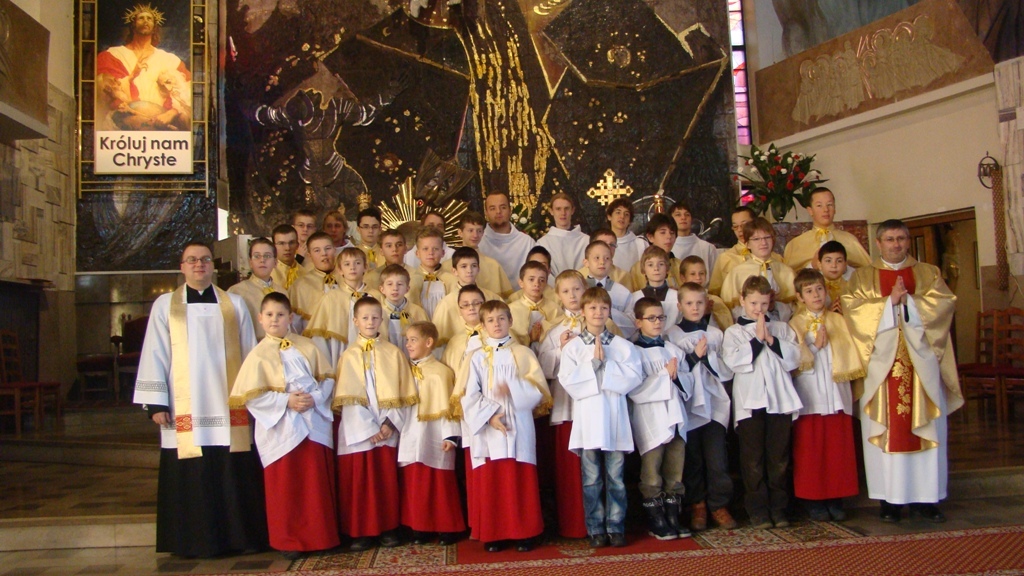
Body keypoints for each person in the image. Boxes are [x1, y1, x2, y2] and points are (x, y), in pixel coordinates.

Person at [134, 242, 268, 557]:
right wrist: (156, 403)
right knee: (192, 472)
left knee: (232, 470)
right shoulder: (165, 305)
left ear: (213, 266)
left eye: (205, 259)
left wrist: (253, 398)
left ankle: (240, 539)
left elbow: (250, 353)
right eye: (192, 260)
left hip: (228, 404)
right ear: (182, 266)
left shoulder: (234, 304)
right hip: (184, 406)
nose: (199, 265)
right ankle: (191, 542)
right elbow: (155, 351)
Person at [841, 219, 962, 524]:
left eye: (901, 239)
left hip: (921, 365)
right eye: (890, 239)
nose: (896, 244)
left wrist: (910, 302)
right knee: (884, 429)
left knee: (927, 428)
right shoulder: (862, 277)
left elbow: (944, 305)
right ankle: (889, 500)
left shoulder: (928, 273)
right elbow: (851, 310)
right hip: (881, 367)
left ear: (908, 241)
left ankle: (926, 499)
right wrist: (888, 303)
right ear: (878, 243)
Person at [229, 293, 339, 557]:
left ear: (290, 318)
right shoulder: (257, 355)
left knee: (313, 484)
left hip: (312, 422)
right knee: (286, 486)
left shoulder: (308, 346)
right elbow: (251, 396)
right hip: (281, 428)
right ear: (260, 318)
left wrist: (314, 398)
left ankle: (319, 537)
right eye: (269, 315)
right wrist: (286, 401)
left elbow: (327, 379)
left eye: (280, 315)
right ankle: (289, 540)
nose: (274, 319)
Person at [456, 300, 551, 552]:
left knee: (519, 479)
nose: (496, 324)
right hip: (489, 427)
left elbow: (538, 391)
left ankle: (524, 532)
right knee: (492, 482)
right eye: (490, 320)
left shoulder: (523, 353)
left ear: (510, 321)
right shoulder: (476, 357)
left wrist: (513, 388)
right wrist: (489, 417)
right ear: (483, 325)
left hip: (518, 423)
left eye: (501, 318)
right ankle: (494, 534)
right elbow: (468, 395)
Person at [559, 288, 643, 548]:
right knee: (591, 479)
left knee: (616, 478)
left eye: (603, 308)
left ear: (609, 311)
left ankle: (616, 526)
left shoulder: (622, 346)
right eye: (593, 308)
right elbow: (567, 381)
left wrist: (608, 365)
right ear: (583, 311)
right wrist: (593, 365)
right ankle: (595, 527)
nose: (598, 313)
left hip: (614, 418)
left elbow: (634, 377)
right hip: (588, 421)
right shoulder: (573, 348)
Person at [333, 296, 418, 551]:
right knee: (359, 482)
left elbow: (405, 393)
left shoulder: (393, 353)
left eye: (374, 317)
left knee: (385, 481)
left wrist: (389, 424)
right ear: (355, 321)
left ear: (381, 319)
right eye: (365, 318)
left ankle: (388, 528)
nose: (370, 322)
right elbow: (347, 398)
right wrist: (368, 428)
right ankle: (361, 532)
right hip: (360, 432)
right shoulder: (348, 355)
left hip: (386, 429)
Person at [722, 276, 803, 528]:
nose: (759, 309)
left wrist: (770, 339)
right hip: (750, 402)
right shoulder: (734, 332)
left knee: (778, 457)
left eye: (764, 304)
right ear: (742, 300)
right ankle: (757, 510)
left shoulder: (781, 328)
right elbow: (733, 362)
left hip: (779, 400)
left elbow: (794, 358)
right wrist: (756, 340)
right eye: (754, 303)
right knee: (753, 459)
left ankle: (779, 508)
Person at [789, 269, 864, 521]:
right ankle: (814, 499)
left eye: (819, 289)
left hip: (836, 394)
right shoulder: (795, 324)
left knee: (837, 450)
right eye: (809, 291)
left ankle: (836, 497)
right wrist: (813, 345)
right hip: (810, 396)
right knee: (811, 451)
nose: (816, 295)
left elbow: (850, 353)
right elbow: (792, 361)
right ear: (800, 297)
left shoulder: (838, 321)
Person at [664, 282, 737, 531]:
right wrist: (694, 356)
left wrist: (709, 358)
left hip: (714, 403)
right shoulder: (672, 334)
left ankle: (719, 505)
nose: (695, 308)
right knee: (693, 459)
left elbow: (727, 369)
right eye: (689, 303)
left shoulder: (716, 334)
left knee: (717, 459)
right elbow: (675, 369)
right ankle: (698, 505)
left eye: (699, 303)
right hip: (689, 403)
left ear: (706, 304)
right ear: (679, 306)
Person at [629, 297, 693, 540]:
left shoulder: (673, 350)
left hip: (675, 415)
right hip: (650, 417)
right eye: (651, 318)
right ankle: (656, 519)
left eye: (661, 318)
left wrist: (676, 378)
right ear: (638, 322)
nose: (657, 322)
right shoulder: (633, 352)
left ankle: (673, 515)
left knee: (675, 467)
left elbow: (688, 381)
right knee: (652, 470)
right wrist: (663, 376)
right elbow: (634, 389)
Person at [398, 322, 466, 545]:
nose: (408, 344)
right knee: (414, 482)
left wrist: (450, 436)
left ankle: (447, 528)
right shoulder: (403, 370)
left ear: (429, 342)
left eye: (413, 340)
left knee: (439, 483)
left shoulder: (441, 373)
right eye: (407, 340)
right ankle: (420, 527)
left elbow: (450, 407)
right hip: (410, 431)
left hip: (435, 434)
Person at [536, 270, 591, 539]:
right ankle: (572, 524)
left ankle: (598, 523)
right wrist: (559, 349)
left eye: (577, 289)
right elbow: (543, 368)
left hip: (592, 407)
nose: (572, 295)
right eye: (566, 291)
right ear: (558, 295)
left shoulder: (598, 322)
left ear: (585, 290)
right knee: (569, 468)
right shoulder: (554, 329)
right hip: (567, 405)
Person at [96, 3, 192, 131]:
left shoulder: (170, 60)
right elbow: (105, 90)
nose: (145, 21)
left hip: (162, 124)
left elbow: (187, 92)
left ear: (155, 26)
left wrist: (171, 113)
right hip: (125, 124)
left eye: (149, 18)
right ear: (133, 24)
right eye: (141, 18)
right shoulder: (113, 55)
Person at [303, 247, 371, 365]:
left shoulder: (374, 296)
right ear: (339, 270)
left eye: (357, 263)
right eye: (347, 264)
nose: (352, 267)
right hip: (340, 354)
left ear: (365, 267)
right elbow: (320, 338)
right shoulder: (331, 298)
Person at [721, 218, 797, 322]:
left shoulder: (787, 271)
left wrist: (774, 306)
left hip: (779, 326)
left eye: (767, 237)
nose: (763, 243)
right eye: (756, 239)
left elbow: (795, 310)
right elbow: (730, 311)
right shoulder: (737, 272)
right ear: (747, 244)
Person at [782, 188, 871, 272]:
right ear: (810, 210)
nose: (826, 210)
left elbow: (866, 272)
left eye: (829, 205)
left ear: (835, 209)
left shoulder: (849, 240)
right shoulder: (797, 244)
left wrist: (844, 268)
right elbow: (788, 277)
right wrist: (812, 266)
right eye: (819, 205)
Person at [432, 247, 503, 347]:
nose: (469, 270)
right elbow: (439, 344)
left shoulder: (492, 298)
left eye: (473, 266)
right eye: (464, 266)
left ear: (478, 269)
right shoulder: (446, 303)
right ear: (454, 271)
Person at [228, 237, 286, 340]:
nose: (262, 260)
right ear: (250, 262)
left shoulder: (283, 292)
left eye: (267, 256)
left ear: (275, 262)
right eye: (257, 256)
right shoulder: (237, 292)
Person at [477, 191, 537, 287]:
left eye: (503, 207)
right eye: (492, 208)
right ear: (486, 213)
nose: (498, 211)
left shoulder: (527, 243)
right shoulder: (479, 243)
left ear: (510, 210)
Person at [449, 211, 514, 298]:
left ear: (483, 233)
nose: (475, 235)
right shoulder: (447, 266)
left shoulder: (494, 265)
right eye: (470, 230)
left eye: (479, 231)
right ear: (460, 232)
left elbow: (506, 300)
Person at [288, 231, 340, 334]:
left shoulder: (348, 279)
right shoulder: (300, 285)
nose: (324, 254)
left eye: (327, 248)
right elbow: (295, 325)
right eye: (317, 250)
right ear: (309, 255)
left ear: (335, 250)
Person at [583, 240, 634, 338]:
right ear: (586, 262)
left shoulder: (623, 292)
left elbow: (632, 323)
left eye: (607, 258)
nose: (602, 262)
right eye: (597, 258)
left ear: (611, 263)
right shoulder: (578, 290)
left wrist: (610, 313)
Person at [376, 264, 429, 353]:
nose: (395, 288)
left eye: (400, 284)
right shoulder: (378, 313)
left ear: (407, 289)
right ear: (382, 289)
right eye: (390, 284)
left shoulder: (417, 312)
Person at [409, 227, 459, 318]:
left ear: (443, 253)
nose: (431, 253)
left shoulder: (452, 280)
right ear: (417, 253)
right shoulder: (410, 280)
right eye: (425, 249)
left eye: (435, 249)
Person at [509, 261, 561, 347]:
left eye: (542, 280)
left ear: (546, 284)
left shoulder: (555, 309)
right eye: (531, 279)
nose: (537, 284)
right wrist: (529, 339)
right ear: (521, 283)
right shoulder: (511, 310)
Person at [537, 193, 590, 275]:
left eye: (566, 208)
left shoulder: (586, 241)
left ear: (572, 210)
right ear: (551, 211)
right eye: (558, 209)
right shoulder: (543, 244)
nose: (563, 213)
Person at [709, 206, 757, 296]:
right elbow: (715, 293)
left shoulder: (772, 257)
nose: (740, 230)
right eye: (735, 226)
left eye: (744, 225)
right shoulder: (725, 258)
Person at [628, 246, 679, 328]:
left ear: (667, 269)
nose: (656, 268)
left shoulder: (677, 297)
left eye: (661, 264)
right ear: (643, 270)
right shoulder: (634, 298)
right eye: (650, 265)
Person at [679, 256, 732, 330]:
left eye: (701, 273)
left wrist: (708, 314)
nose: (698, 277)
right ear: (683, 278)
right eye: (693, 274)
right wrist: (702, 313)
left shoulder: (716, 301)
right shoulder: (677, 299)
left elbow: (723, 328)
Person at [631, 214, 680, 291]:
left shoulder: (680, 265)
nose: (669, 237)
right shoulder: (637, 269)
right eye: (663, 232)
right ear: (650, 237)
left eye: (672, 233)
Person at [670, 201, 718, 274]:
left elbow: (715, 278)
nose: (683, 218)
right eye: (678, 215)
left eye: (687, 214)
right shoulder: (667, 247)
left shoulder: (707, 248)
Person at [586, 228, 637, 292]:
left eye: (612, 245)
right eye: (603, 243)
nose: (608, 247)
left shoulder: (624, 276)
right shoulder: (580, 276)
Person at [605, 198, 646, 273]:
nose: (622, 217)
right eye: (618, 212)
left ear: (630, 221)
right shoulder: (600, 242)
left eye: (626, 214)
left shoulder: (641, 244)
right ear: (609, 216)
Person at [817, 241, 850, 312]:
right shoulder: (813, 289)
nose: (834, 265)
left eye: (839, 261)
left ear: (845, 265)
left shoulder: (852, 288)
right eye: (828, 261)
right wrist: (827, 313)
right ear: (819, 265)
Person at [271, 224, 305, 290]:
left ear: (297, 245)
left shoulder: (305, 274)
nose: (287, 248)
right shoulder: (267, 274)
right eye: (281, 243)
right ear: (273, 247)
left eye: (291, 243)